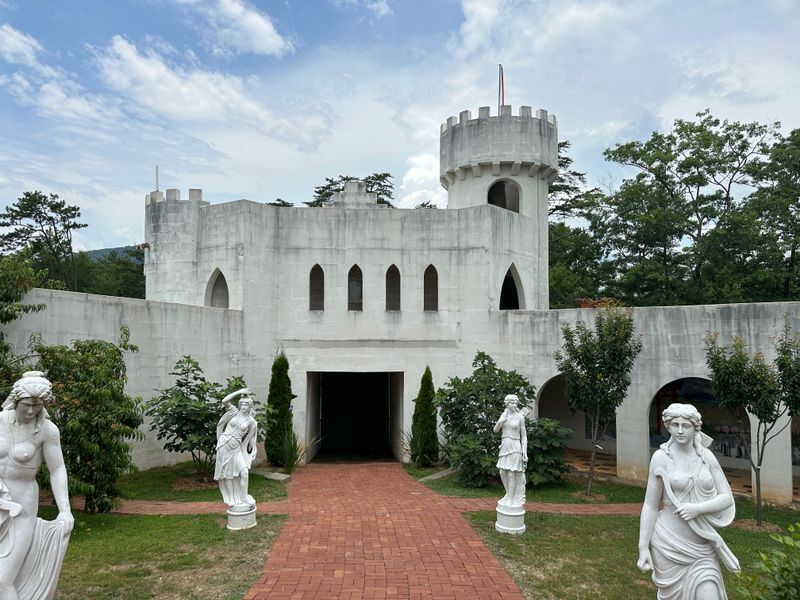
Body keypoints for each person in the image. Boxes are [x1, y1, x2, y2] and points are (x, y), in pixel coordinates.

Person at [637, 403, 739, 599]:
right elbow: (650, 505)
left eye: (686, 425)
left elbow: (726, 498)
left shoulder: (706, 457)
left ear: (696, 428)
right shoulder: (661, 458)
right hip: (668, 542)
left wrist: (698, 508)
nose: (680, 431)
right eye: (675, 425)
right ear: (668, 426)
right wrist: (643, 547)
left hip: (702, 544)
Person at [0, 371, 73, 600]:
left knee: (3, 580)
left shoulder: (47, 431)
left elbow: (57, 469)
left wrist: (65, 510)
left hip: (22, 506)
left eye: (37, 405)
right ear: (15, 400)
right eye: (26, 405)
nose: (31, 411)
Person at [214, 388, 258, 509]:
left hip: (236, 448)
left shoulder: (252, 422)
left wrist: (252, 450)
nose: (243, 406)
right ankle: (232, 499)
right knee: (227, 474)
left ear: (250, 406)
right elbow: (225, 401)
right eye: (241, 404)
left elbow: (250, 439)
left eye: (246, 404)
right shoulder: (234, 412)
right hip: (224, 445)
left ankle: (244, 496)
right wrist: (240, 392)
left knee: (244, 473)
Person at [493, 394, 528, 507]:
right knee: (502, 472)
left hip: (515, 446)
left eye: (516, 403)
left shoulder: (520, 417)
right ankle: (508, 494)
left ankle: (511, 499)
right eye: (512, 403)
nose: (515, 405)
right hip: (505, 446)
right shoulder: (504, 415)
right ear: (507, 403)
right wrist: (500, 421)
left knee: (512, 473)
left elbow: (524, 436)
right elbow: (495, 430)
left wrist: (524, 452)